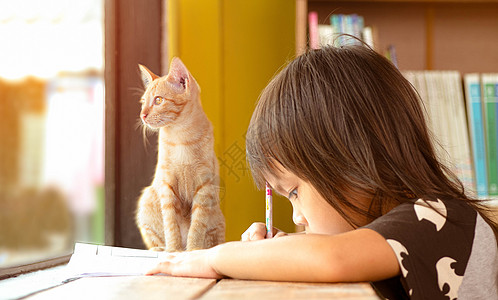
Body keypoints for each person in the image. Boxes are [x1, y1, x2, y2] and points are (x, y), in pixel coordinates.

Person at [146, 45, 498, 299]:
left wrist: (213, 258)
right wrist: (279, 252)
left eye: (295, 192)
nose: (297, 217)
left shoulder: (441, 217)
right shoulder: (397, 229)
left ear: (354, 161)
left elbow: (332, 258)